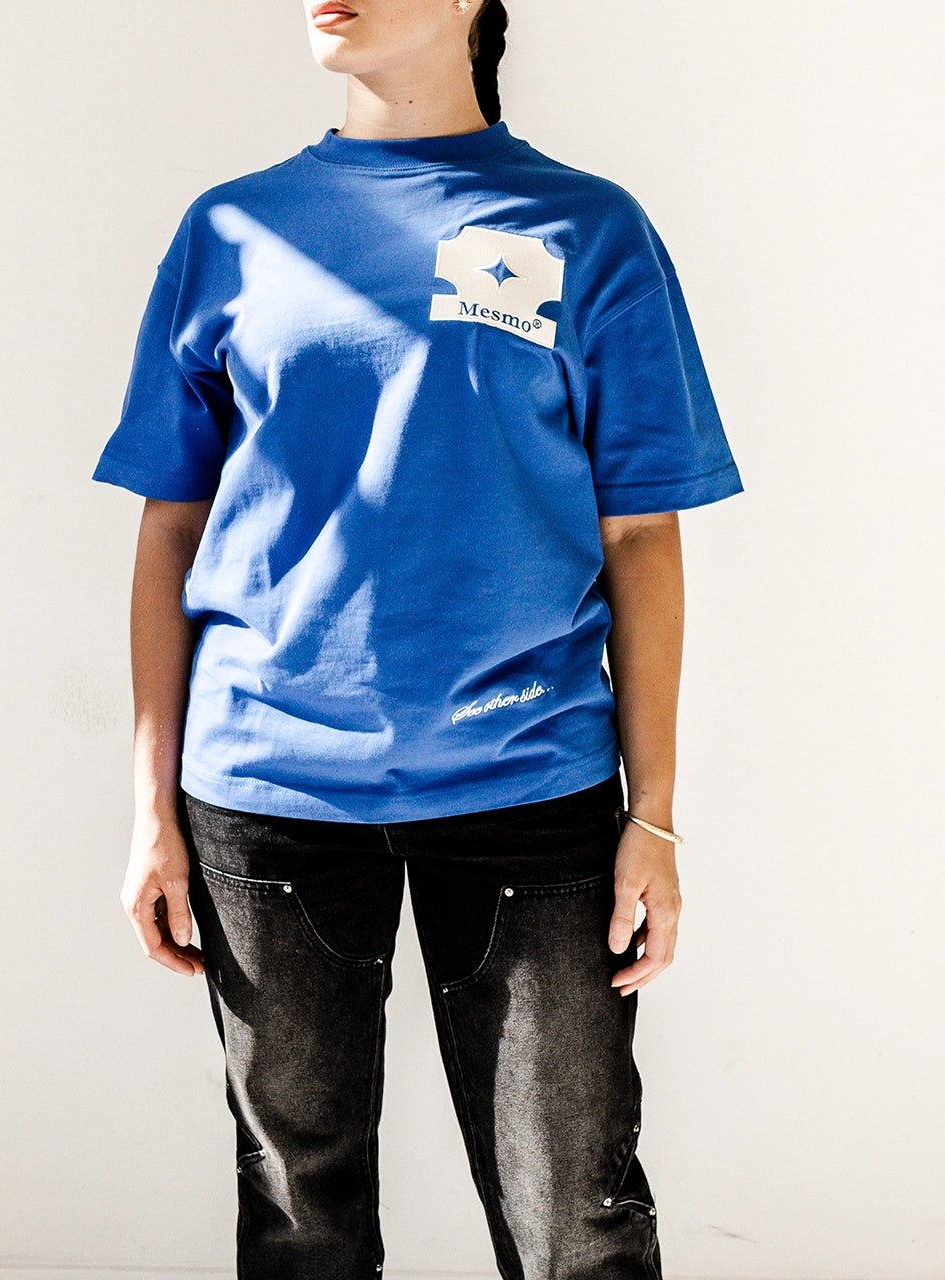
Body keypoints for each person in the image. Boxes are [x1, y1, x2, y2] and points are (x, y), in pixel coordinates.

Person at [91, 1, 744, 1276]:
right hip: (265, 789)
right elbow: (170, 529)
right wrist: (148, 810)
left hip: (528, 783)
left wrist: (654, 818)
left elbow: (638, 537)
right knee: (299, 1215)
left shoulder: (584, 229)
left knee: (574, 1218)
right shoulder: (231, 229)